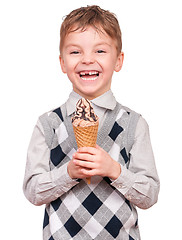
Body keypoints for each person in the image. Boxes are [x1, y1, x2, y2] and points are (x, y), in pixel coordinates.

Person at [23, 5, 160, 240]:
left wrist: (114, 170)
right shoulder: (48, 123)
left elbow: (149, 195)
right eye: (75, 52)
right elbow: (33, 191)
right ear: (62, 62)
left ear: (118, 60)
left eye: (100, 51)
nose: (87, 59)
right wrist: (68, 172)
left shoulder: (133, 124)